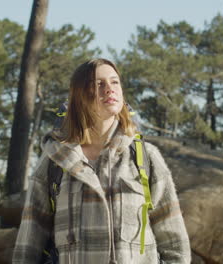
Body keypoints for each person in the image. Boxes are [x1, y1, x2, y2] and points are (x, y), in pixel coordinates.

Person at [12, 58, 191, 264]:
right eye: (98, 84)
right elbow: (28, 244)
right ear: (79, 95)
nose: (109, 89)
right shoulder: (55, 160)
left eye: (115, 82)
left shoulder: (145, 157)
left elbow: (175, 245)